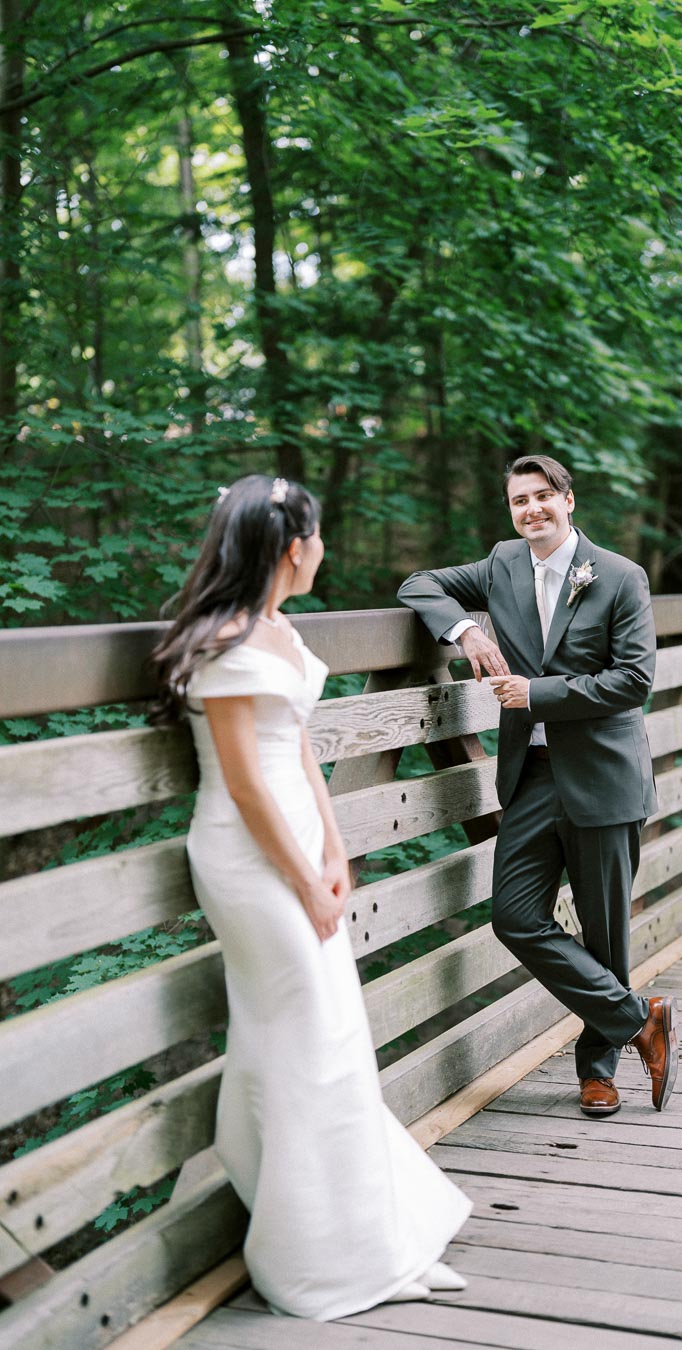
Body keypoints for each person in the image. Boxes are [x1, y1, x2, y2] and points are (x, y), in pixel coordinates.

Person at [151, 474, 470, 1320]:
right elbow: (248, 788)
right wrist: (300, 878)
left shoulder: (280, 630)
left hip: (299, 849)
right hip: (247, 860)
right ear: (296, 547)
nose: (323, 548)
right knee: (305, 1041)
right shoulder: (222, 640)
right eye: (319, 537)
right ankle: (316, 1258)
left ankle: (372, 1237)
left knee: (329, 1035)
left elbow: (297, 756)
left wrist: (335, 853)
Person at [398, 455, 677, 1118]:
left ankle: (598, 1073)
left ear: (569, 500)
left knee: (606, 934)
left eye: (543, 497)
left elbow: (635, 680)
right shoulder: (500, 566)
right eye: (520, 501)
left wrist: (536, 692)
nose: (532, 510)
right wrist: (466, 628)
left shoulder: (619, 577)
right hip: (533, 776)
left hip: (605, 779)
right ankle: (640, 1017)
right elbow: (419, 584)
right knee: (515, 916)